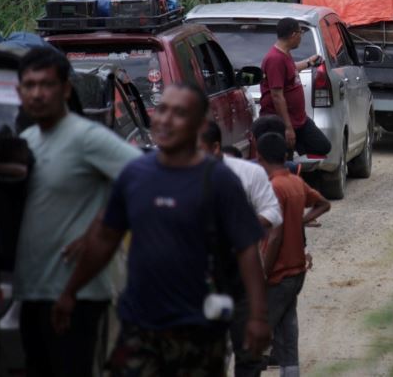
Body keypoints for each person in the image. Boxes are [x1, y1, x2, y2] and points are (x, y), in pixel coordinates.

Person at [53, 83, 270, 375]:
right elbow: (105, 239)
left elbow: (247, 250)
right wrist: (70, 292)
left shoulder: (220, 181)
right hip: (139, 326)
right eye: (162, 110)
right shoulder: (135, 175)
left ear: (198, 124)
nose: (165, 120)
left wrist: (257, 316)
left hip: (199, 330)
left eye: (179, 113)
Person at [13, 47, 142, 377]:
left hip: (78, 294)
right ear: (19, 91)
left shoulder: (87, 138)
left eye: (46, 85)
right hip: (33, 291)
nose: (38, 94)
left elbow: (144, 178)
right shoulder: (27, 140)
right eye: (29, 85)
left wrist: (100, 228)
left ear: (65, 89)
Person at [200, 120, 282, 377]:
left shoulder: (246, 173)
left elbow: (273, 213)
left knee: (248, 356)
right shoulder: (171, 176)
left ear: (215, 148)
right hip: (196, 282)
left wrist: (239, 227)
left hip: (239, 277)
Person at [257, 132, 331, 377]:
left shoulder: (274, 187)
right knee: (288, 327)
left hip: (279, 271)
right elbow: (323, 203)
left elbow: (275, 236)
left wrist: (264, 272)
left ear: (259, 156)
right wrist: (300, 221)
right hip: (297, 270)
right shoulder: (295, 182)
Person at [259, 17, 332, 156]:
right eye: (300, 33)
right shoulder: (275, 59)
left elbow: (291, 69)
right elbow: (277, 96)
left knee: (322, 146)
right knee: (284, 158)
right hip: (283, 123)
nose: (301, 37)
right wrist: (287, 128)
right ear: (293, 35)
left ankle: (296, 153)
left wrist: (309, 62)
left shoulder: (285, 54)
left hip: (299, 119)